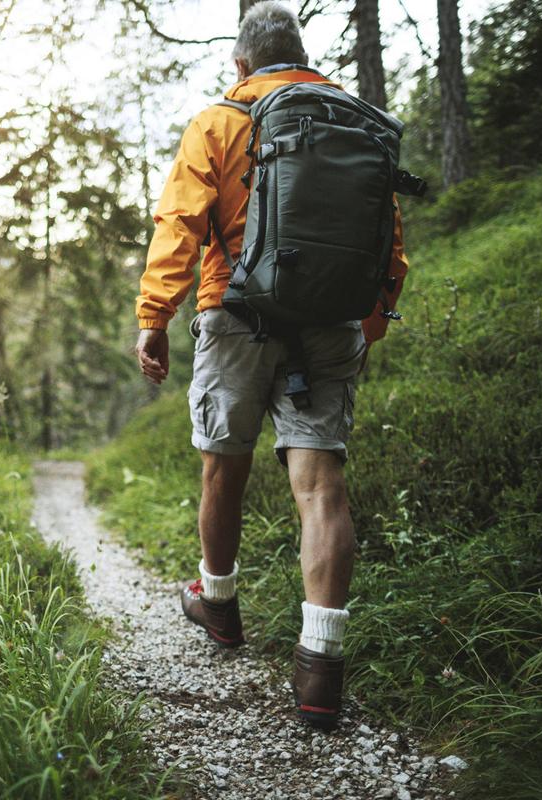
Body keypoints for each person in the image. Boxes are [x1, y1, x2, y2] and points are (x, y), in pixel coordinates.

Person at [132, 1, 409, 730]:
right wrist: (367, 320)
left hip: (237, 312)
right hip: (333, 317)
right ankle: (321, 670)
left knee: (225, 461)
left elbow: (179, 228)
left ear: (240, 62)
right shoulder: (355, 122)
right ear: (303, 53)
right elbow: (388, 239)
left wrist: (154, 319)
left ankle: (219, 606)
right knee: (322, 485)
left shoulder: (221, 121)